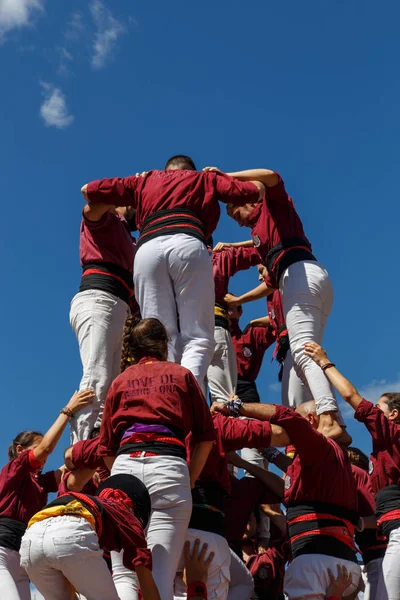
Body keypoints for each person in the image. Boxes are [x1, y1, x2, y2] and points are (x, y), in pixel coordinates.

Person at [82, 156, 265, 392]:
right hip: (187, 243)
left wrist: (138, 183)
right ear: (191, 170)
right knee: (198, 336)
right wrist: (219, 176)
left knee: (158, 336)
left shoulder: (145, 180)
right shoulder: (204, 179)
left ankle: (162, 393)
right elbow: (257, 190)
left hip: (147, 250)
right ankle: (185, 395)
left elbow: (87, 190)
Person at [206, 166, 339, 431]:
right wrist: (239, 300)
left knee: (302, 353)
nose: (239, 222)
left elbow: (272, 176)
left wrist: (224, 177)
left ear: (247, 201)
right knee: (305, 360)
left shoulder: (272, 205)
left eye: (237, 214)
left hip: (300, 274)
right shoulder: (260, 237)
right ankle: (337, 426)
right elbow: (268, 284)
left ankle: (328, 417)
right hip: (303, 277)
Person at [98, 317, 215, 600]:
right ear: (164, 344)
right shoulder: (181, 375)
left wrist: (126, 479)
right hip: (169, 467)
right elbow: (206, 437)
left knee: (124, 575)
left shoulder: (120, 381)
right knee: (160, 577)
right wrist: (190, 480)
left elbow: (105, 450)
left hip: (125, 468)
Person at [211, 398, 361, 599]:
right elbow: (288, 483)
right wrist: (251, 459)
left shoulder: (318, 445)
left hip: (316, 562)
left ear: (309, 419)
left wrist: (234, 407)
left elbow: (285, 416)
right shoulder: (332, 458)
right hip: (345, 561)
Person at [304, 341, 400, 600]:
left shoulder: (393, 434)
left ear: (393, 415)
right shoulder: (387, 448)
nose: (373, 412)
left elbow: (352, 398)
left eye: (379, 408)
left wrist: (324, 362)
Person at [174, 408, 289, 600]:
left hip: (224, 551)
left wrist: (244, 464)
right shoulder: (189, 467)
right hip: (203, 539)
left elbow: (283, 489)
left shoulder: (243, 487)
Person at [0, 389, 94, 600]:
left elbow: (69, 471)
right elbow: (46, 449)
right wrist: (68, 410)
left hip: (23, 559)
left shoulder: (40, 481)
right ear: (20, 450)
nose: (43, 459)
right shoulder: (14, 470)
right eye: (36, 447)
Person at [20, 474, 160, 600]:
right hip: (71, 533)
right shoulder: (128, 517)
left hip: (30, 539)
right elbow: (144, 576)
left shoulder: (90, 502)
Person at [70, 195, 137, 442]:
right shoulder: (109, 216)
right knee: (96, 375)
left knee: (109, 384)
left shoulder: (131, 239)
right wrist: (119, 194)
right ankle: (80, 446)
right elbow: (90, 209)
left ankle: (95, 442)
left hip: (117, 304)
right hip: (98, 297)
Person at [207, 242, 261, 405]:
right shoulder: (219, 257)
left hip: (183, 327)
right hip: (215, 325)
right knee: (222, 400)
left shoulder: (250, 335)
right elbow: (261, 248)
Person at [348, 447, 386, 600]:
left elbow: (378, 518)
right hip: (371, 560)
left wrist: (356, 522)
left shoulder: (360, 480)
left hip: (380, 557)